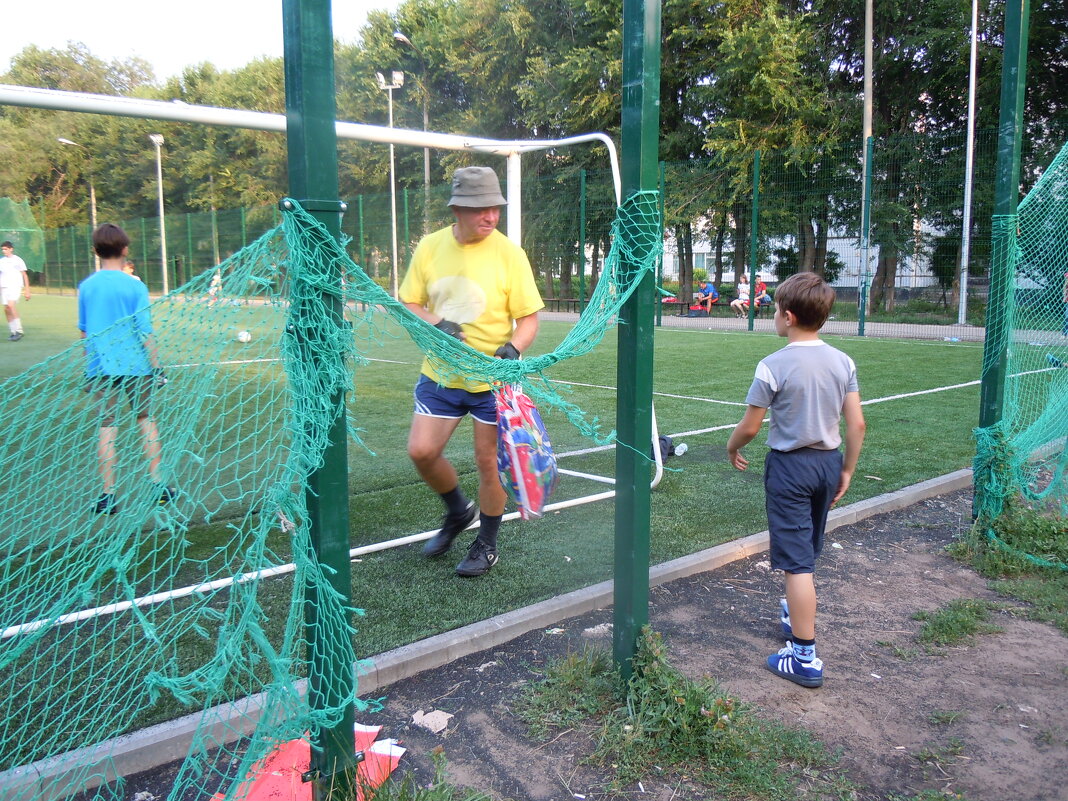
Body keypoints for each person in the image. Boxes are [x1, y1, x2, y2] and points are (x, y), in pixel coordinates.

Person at [400, 166, 544, 577]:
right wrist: (435, 323)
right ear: (458, 209)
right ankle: (457, 512)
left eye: (495, 209)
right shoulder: (429, 247)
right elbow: (409, 302)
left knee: (488, 463)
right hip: (441, 375)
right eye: (481, 210)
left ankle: (487, 543)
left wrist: (514, 347)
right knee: (422, 452)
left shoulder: (509, 254)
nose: (491, 217)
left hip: (492, 382)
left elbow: (531, 318)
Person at [726, 272, 866, 688]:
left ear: (787, 316)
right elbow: (856, 424)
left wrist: (731, 448)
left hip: (791, 468)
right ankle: (794, 611)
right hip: (827, 463)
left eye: (774, 311)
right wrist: (847, 470)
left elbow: (750, 428)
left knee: (797, 564)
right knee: (807, 550)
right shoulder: (844, 361)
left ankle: (804, 657)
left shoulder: (773, 365)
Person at [79, 223, 175, 515]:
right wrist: (158, 369)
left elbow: (84, 334)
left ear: (96, 251)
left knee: (107, 427)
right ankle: (159, 487)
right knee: (146, 419)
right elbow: (145, 332)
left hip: (100, 368)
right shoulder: (135, 285)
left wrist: (89, 368)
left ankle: (108, 495)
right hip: (136, 366)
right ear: (125, 249)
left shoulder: (86, 286)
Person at [1, 240, 31, 341]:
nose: (4, 251)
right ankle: (13, 332)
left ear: (11, 249)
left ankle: (19, 330)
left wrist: (27, 290)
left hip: (15, 287)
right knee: (6, 309)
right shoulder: (2, 261)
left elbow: (24, 275)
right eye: (3, 249)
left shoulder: (18, 260)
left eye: (5, 249)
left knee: (11, 305)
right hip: (4, 287)